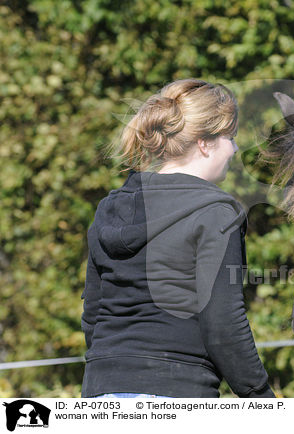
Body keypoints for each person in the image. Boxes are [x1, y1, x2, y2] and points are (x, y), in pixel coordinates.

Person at [80, 78, 275, 398]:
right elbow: (223, 324)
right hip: (178, 392)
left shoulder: (109, 207)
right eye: (231, 137)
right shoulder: (217, 213)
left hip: (100, 392)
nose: (235, 149)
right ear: (205, 143)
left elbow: (94, 315)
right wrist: (262, 398)